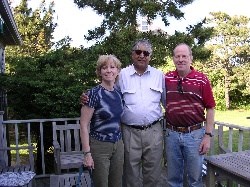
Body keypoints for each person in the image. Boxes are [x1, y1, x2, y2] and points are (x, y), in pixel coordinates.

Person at [81, 39, 166, 187]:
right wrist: (85, 98)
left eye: (146, 53)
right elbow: (105, 90)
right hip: (129, 133)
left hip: (154, 131)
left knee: (153, 175)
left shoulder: (159, 75)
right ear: (132, 54)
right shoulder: (122, 75)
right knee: (130, 175)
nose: (142, 55)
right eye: (138, 52)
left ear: (150, 56)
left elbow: (167, 102)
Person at [164, 43, 216, 187]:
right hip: (172, 134)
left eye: (184, 56)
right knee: (173, 180)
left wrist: (207, 136)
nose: (181, 59)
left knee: (195, 179)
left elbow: (210, 108)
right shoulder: (166, 79)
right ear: (173, 59)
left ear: (190, 58)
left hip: (195, 135)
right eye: (177, 56)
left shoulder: (201, 79)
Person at [80, 54, 124, 187]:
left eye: (112, 67)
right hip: (99, 147)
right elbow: (83, 124)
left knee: (116, 184)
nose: (109, 70)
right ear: (100, 72)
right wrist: (87, 153)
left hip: (118, 145)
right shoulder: (93, 94)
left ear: (117, 71)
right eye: (104, 68)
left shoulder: (118, 93)